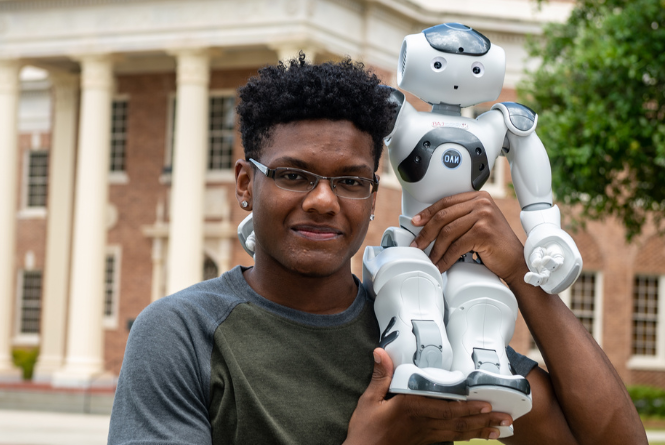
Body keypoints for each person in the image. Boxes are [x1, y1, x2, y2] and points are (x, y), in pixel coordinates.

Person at [108, 54, 646, 445]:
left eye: (350, 180)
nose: (323, 201)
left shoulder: (429, 324)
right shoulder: (182, 332)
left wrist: (520, 274)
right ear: (247, 183)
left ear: (373, 197)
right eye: (294, 175)